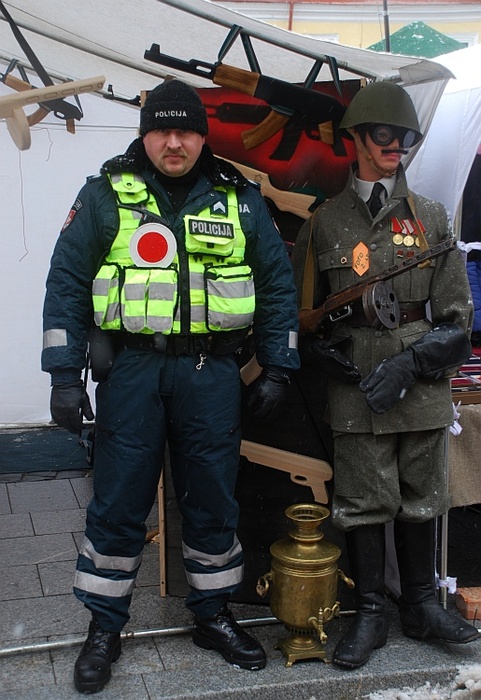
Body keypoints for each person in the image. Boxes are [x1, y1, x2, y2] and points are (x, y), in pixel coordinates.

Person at [42, 79, 300, 693]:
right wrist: (64, 376)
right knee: (118, 499)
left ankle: (212, 614)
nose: (174, 142)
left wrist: (279, 366)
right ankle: (104, 627)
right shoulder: (105, 195)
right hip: (132, 371)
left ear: (203, 137)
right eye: (162, 130)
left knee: (212, 497)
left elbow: (277, 285)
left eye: (185, 130)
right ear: (145, 134)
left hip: (210, 374)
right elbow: (67, 281)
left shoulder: (239, 199)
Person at [291, 81, 479, 670]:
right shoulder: (325, 223)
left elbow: (458, 322)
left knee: (423, 499)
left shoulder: (431, 218)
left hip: (420, 390)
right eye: (383, 135)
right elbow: (301, 316)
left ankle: (420, 605)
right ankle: (371, 611)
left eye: (405, 138)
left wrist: (410, 364)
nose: (396, 146)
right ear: (356, 139)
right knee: (362, 503)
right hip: (356, 391)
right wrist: (318, 353)